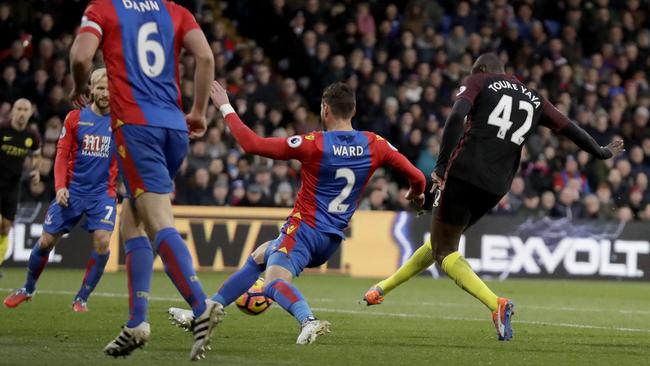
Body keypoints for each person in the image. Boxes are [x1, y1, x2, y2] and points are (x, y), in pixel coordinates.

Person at [362, 53, 625, 341]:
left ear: (483, 69)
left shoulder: (480, 80)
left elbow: (455, 118)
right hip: (497, 185)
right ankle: (381, 289)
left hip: (464, 172)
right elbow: (569, 128)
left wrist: (439, 167)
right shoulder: (534, 98)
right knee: (440, 242)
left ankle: (495, 304)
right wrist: (601, 151)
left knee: (443, 249)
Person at [168, 81, 426, 345]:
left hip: (302, 231)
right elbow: (417, 177)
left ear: (325, 109)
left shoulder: (314, 144)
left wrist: (224, 105)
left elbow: (252, 144)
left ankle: (308, 320)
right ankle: (206, 312)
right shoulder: (375, 143)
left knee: (271, 283)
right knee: (261, 255)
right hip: (330, 240)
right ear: (354, 109)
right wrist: (416, 193)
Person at [68, 0, 216, 360]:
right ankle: (136, 323)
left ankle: (202, 306)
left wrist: (78, 88)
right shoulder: (176, 10)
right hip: (174, 127)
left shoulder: (104, 8)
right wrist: (198, 111)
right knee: (132, 219)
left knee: (157, 219)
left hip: (136, 126)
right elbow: (207, 58)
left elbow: (80, 56)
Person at [4, 68, 117, 313]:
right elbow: (62, 155)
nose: (105, 93)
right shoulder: (75, 118)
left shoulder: (122, 122)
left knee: (103, 242)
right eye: (100, 88)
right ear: (91, 89)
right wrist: (60, 187)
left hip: (102, 194)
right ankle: (28, 288)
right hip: (73, 191)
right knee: (45, 242)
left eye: (109, 88)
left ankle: (82, 298)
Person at [0, 99, 41, 276]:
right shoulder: (2, 129)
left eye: (26, 109)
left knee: (5, 227)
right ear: (12, 111)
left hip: (12, 186)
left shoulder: (32, 136)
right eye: (19, 109)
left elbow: (37, 154)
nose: (22, 113)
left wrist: (36, 170)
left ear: (30, 112)